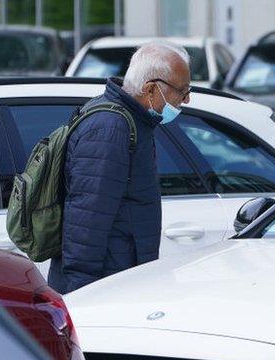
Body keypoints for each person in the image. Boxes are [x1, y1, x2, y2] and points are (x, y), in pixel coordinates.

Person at [48, 41, 191, 294]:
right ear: (150, 89)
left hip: (122, 276)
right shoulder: (110, 128)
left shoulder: (131, 121)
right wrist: (82, 297)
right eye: (183, 90)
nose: (187, 99)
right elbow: (86, 221)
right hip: (105, 285)